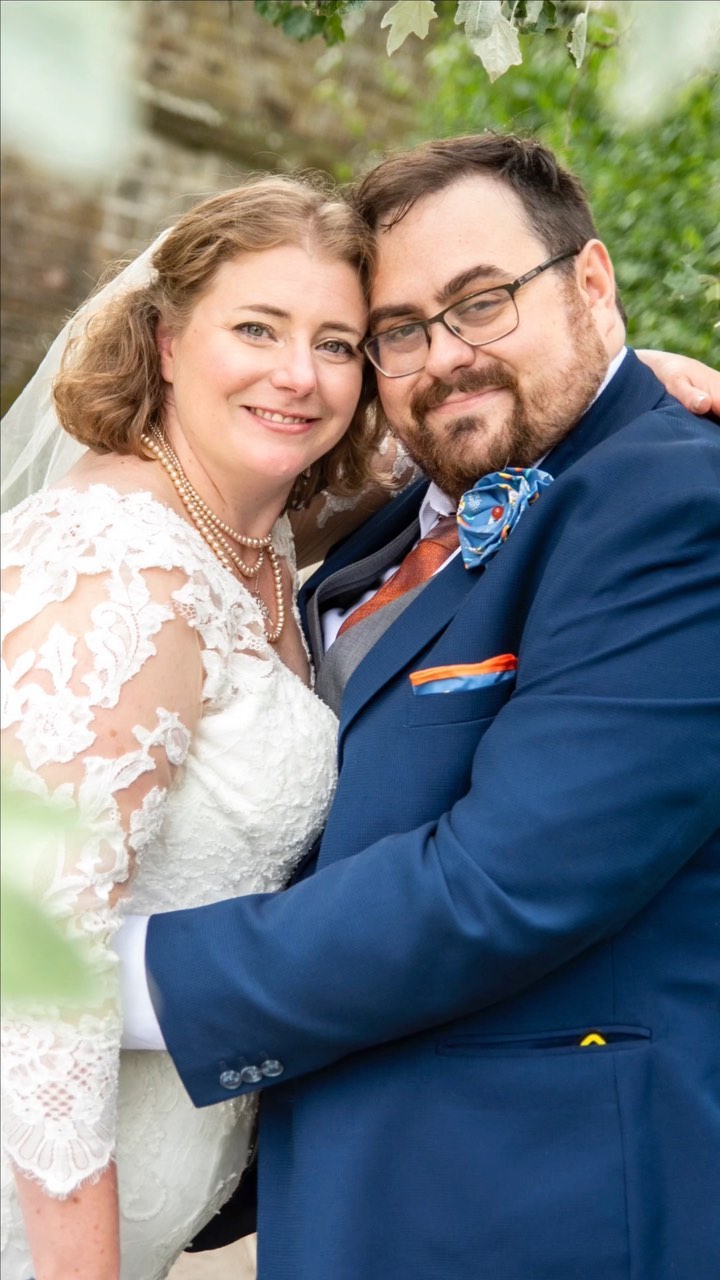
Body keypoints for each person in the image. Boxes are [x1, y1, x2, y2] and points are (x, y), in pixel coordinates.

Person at [115, 134, 720, 1280]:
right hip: (348, 1186)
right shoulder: (395, 517)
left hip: (537, 1207)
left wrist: (131, 975)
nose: (445, 356)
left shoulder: (677, 500)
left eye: (483, 301)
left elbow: (505, 881)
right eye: (398, 330)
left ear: (592, 282)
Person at [0, 173, 385, 1280]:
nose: (298, 374)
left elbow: (452, 434)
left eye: (337, 343)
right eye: (256, 328)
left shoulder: (252, 531)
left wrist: (625, 378)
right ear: (167, 342)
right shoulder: (121, 570)